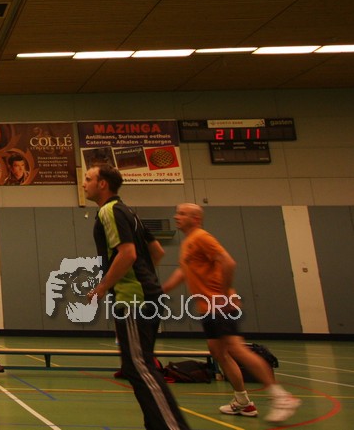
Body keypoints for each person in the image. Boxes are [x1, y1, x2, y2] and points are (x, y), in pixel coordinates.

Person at [161, 203, 299, 423]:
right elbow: (183, 271)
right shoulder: (188, 242)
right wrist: (162, 290)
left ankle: (281, 397)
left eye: (182, 214)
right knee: (218, 351)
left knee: (235, 348)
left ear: (196, 219)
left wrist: (224, 294)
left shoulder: (202, 237)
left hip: (220, 305)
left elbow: (228, 262)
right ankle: (243, 402)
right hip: (208, 308)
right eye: (177, 213)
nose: (177, 216)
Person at [82, 163, 190, 430]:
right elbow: (157, 251)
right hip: (146, 296)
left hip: (133, 300)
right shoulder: (130, 212)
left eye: (88, 178)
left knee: (139, 366)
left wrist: (103, 287)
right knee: (136, 366)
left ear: (102, 184)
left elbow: (128, 254)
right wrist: (147, 279)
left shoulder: (109, 211)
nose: (84, 183)